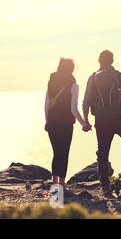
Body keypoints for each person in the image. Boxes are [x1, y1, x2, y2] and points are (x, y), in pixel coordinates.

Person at [83, 50, 121, 196]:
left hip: (101, 121)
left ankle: (105, 186)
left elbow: (86, 100)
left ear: (99, 61)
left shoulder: (93, 78)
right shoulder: (119, 76)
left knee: (103, 153)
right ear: (112, 61)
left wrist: (86, 121)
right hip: (119, 118)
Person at [45, 58, 91, 188]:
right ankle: (62, 184)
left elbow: (47, 104)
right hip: (65, 124)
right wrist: (84, 125)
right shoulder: (73, 85)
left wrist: (47, 121)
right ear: (71, 69)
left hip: (52, 123)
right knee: (64, 153)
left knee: (56, 152)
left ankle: (55, 184)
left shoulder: (51, 82)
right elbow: (73, 109)